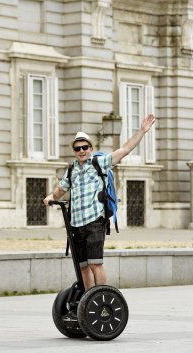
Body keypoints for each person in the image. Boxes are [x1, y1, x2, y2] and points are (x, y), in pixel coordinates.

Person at [43, 113, 155, 290]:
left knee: (95, 264)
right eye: (77, 148)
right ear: (74, 150)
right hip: (76, 224)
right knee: (84, 267)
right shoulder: (71, 169)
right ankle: (89, 301)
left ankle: (102, 299)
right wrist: (51, 197)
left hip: (95, 221)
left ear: (90, 148)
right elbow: (61, 189)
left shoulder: (99, 163)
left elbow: (125, 149)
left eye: (85, 147)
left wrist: (142, 131)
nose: (81, 151)